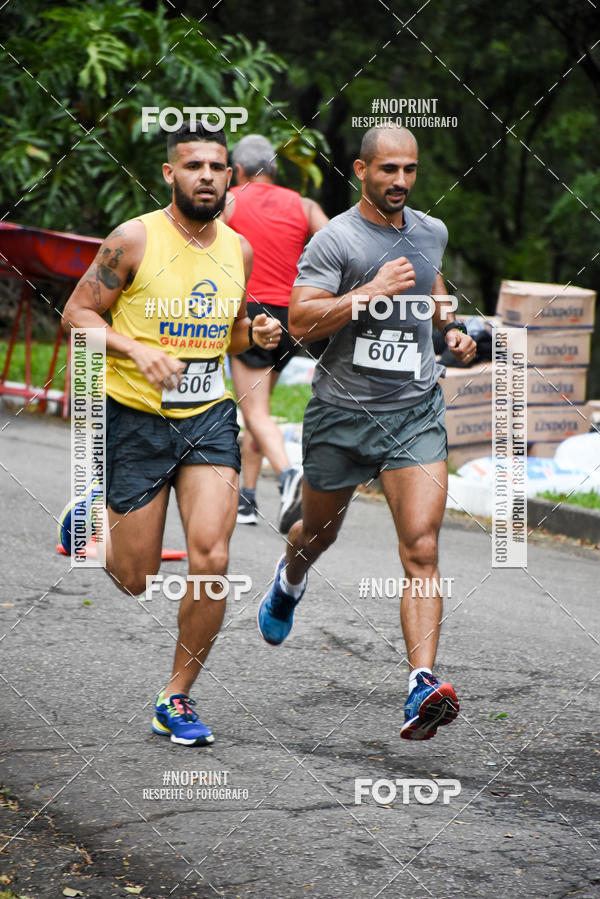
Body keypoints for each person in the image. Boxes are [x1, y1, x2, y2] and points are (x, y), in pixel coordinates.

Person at [58, 122, 281, 746]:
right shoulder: (133, 238)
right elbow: (79, 313)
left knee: (212, 557)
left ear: (230, 177)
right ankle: (91, 523)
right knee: (136, 578)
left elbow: (232, 332)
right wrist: (135, 350)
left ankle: (175, 697)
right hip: (133, 416)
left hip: (209, 415)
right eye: (193, 166)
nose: (206, 176)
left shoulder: (238, 249)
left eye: (217, 166)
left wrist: (256, 338)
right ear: (170, 174)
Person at [257, 125, 477, 741]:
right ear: (361, 170)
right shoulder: (336, 239)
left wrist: (449, 333)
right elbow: (301, 321)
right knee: (318, 534)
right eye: (389, 171)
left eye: (410, 170)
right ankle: (289, 580)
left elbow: (433, 295)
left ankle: (421, 684)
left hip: (415, 412)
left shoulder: (432, 232)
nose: (401, 182)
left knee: (423, 548)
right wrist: (367, 293)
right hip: (342, 415)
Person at [220, 134, 328, 531]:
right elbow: (338, 242)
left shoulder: (230, 200)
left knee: (255, 412)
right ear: (276, 171)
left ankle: (288, 475)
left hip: (249, 316)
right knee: (258, 407)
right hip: (292, 318)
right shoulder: (304, 205)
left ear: (240, 171)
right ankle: (246, 500)